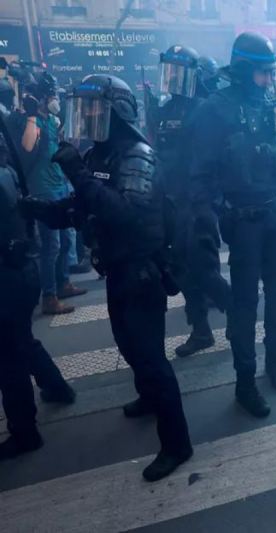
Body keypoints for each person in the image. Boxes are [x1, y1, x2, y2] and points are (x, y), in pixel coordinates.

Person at [23, 74, 194, 480]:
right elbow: (84, 206)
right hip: (117, 268)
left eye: (95, 110)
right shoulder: (99, 156)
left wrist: (77, 173)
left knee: (150, 357)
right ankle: (148, 398)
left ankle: (177, 444)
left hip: (141, 271)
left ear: (116, 113)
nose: (87, 118)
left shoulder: (137, 155)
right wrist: (39, 209)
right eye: (84, 110)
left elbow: (125, 213)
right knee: (128, 344)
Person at [189, 32, 276, 416]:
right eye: (262, 73)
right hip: (242, 221)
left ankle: (275, 358)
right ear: (242, 70)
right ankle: (244, 381)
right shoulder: (214, 110)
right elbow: (200, 173)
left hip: (274, 214)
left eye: (271, 72)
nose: (269, 80)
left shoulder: (273, 107)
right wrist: (209, 218)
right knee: (244, 303)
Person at [0, 127, 77, 460]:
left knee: (8, 357)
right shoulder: (6, 170)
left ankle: (25, 432)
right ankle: (57, 387)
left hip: (8, 275)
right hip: (21, 270)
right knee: (19, 340)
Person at [149, 45, 229, 358]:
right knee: (180, 269)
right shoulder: (168, 108)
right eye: (169, 72)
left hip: (197, 201)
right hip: (172, 200)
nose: (172, 79)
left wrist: (207, 202)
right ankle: (201, 330)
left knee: (204, 269)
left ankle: (236, 311)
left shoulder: (204, 110)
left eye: (178, 72)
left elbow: (213, 159)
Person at [16, 71, 86, 314]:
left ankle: (63, 282)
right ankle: (49, 296)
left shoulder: (53, 121)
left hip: (60, 183)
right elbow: (27, 146)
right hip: (43, 188)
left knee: (67, 240)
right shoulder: (31, 121)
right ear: (42, 98)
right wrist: (32, 115)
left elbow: (66, 144)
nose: (55, 99)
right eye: (52, 96)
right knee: (51, 244)